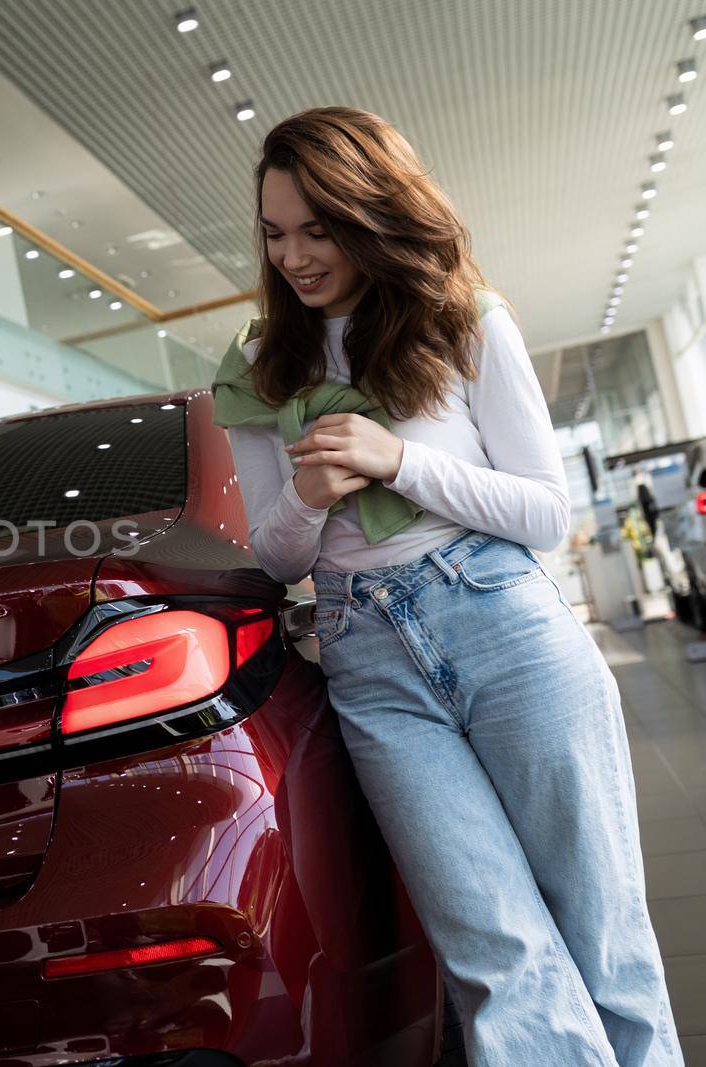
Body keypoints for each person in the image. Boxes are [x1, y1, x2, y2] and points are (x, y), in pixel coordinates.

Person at [214, 107, 680, 1066]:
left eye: (318, 228)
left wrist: (398, 462)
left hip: (502, 619)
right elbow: (274, 555)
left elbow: (547, 510)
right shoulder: (260, 363)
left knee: (603, 938)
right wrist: (307, 495)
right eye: (274, 233)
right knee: (492, 954)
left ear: (369, 211)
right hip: (367, 655)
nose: (294, 256)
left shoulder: (462, 317)